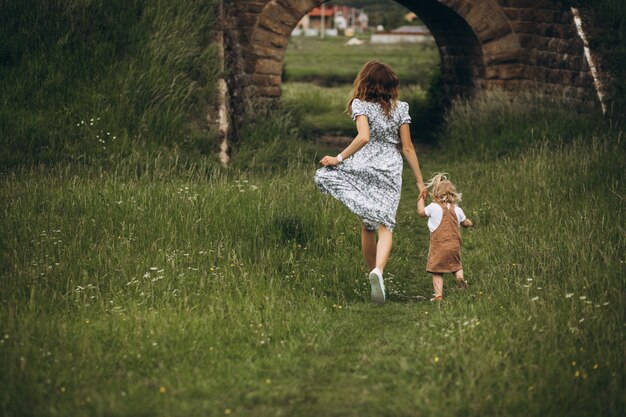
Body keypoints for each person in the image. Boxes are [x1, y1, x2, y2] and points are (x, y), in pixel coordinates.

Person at [315, 60, 426, 305]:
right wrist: (419, 182)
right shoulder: (401, 108)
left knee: (367, 225)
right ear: (391, 85)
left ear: (365, 82)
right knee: (386, 225)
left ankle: (372, 276)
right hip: (389, 167)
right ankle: (379, 272)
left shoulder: (360, 104)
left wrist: (339, 157)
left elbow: (364, 137)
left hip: (364, 164)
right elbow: (407, 147)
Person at [417, 172, 473, 301]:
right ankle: (460, 278)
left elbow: (421, 213)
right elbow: (465, 223)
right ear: (453, 194)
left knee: (437, 270)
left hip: (439, 246)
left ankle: (438, 295)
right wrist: (470, 223)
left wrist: (420, 198)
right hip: (454, 245)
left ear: (436, 194)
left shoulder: (433, 207)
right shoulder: (457, 209)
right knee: (457, 266)